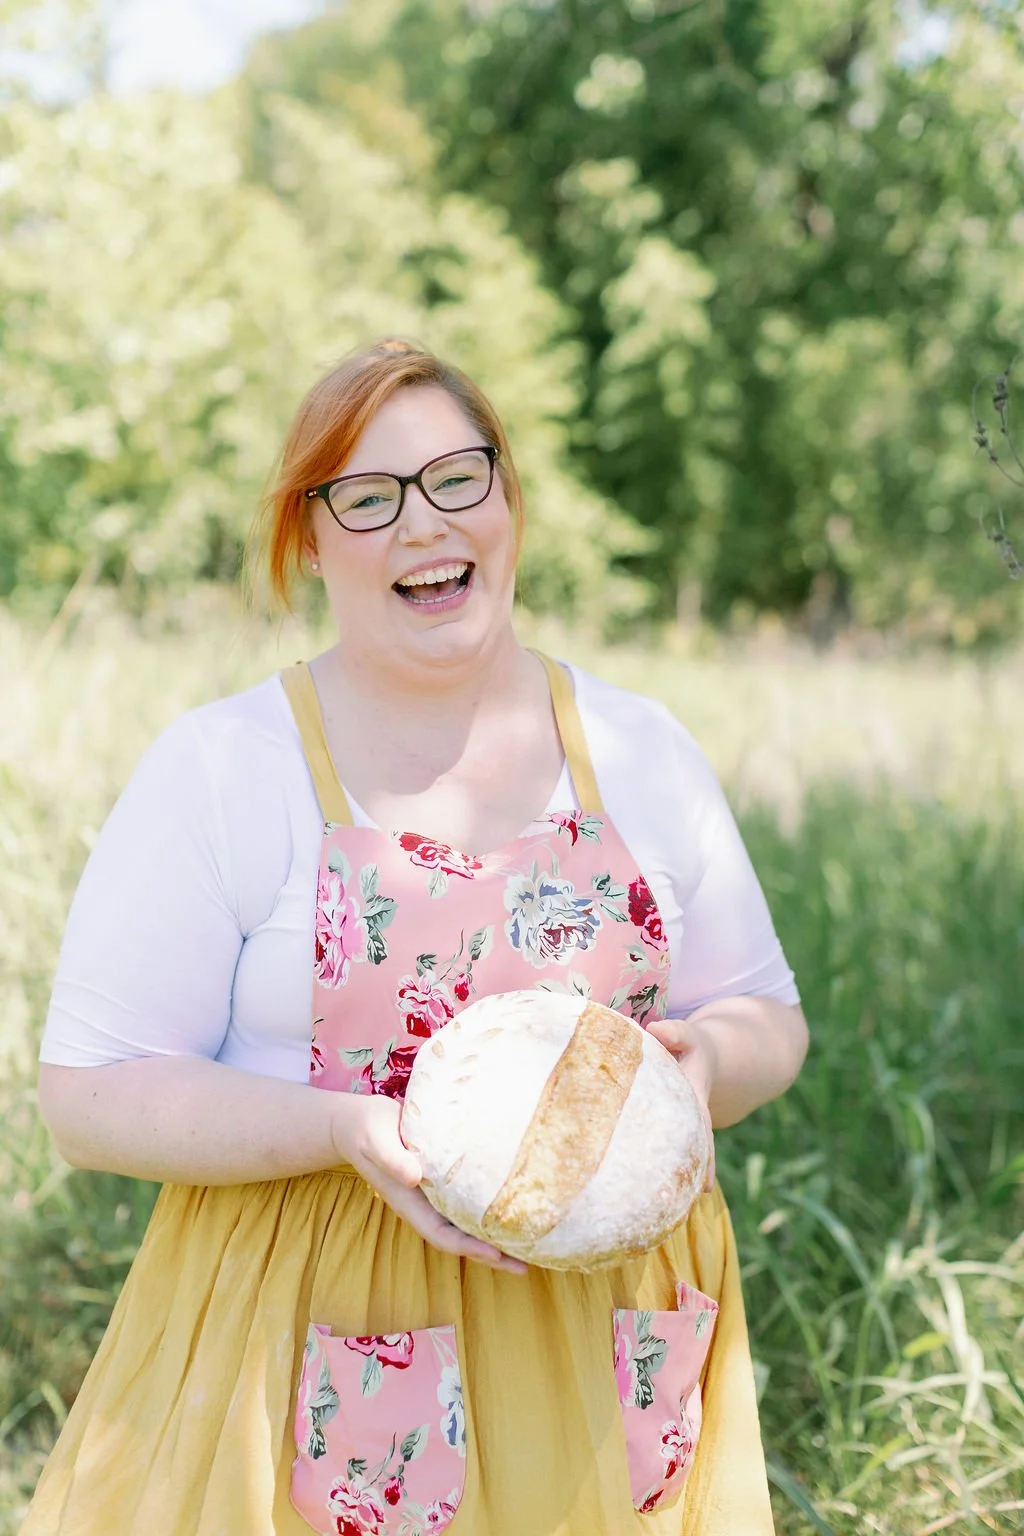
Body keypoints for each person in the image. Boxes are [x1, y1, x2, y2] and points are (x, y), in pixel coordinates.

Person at [25, 339, 808, 1536]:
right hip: (312, 1349)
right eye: (368, 495)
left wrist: (699, 1071)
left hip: (607, 1358)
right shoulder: (227, 767)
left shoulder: (639, 747)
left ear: (507, 500)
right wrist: (343, 1130)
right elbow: (87, 1097)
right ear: (310, 537)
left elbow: (765, 1016)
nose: (422, 524)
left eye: (456, 477)